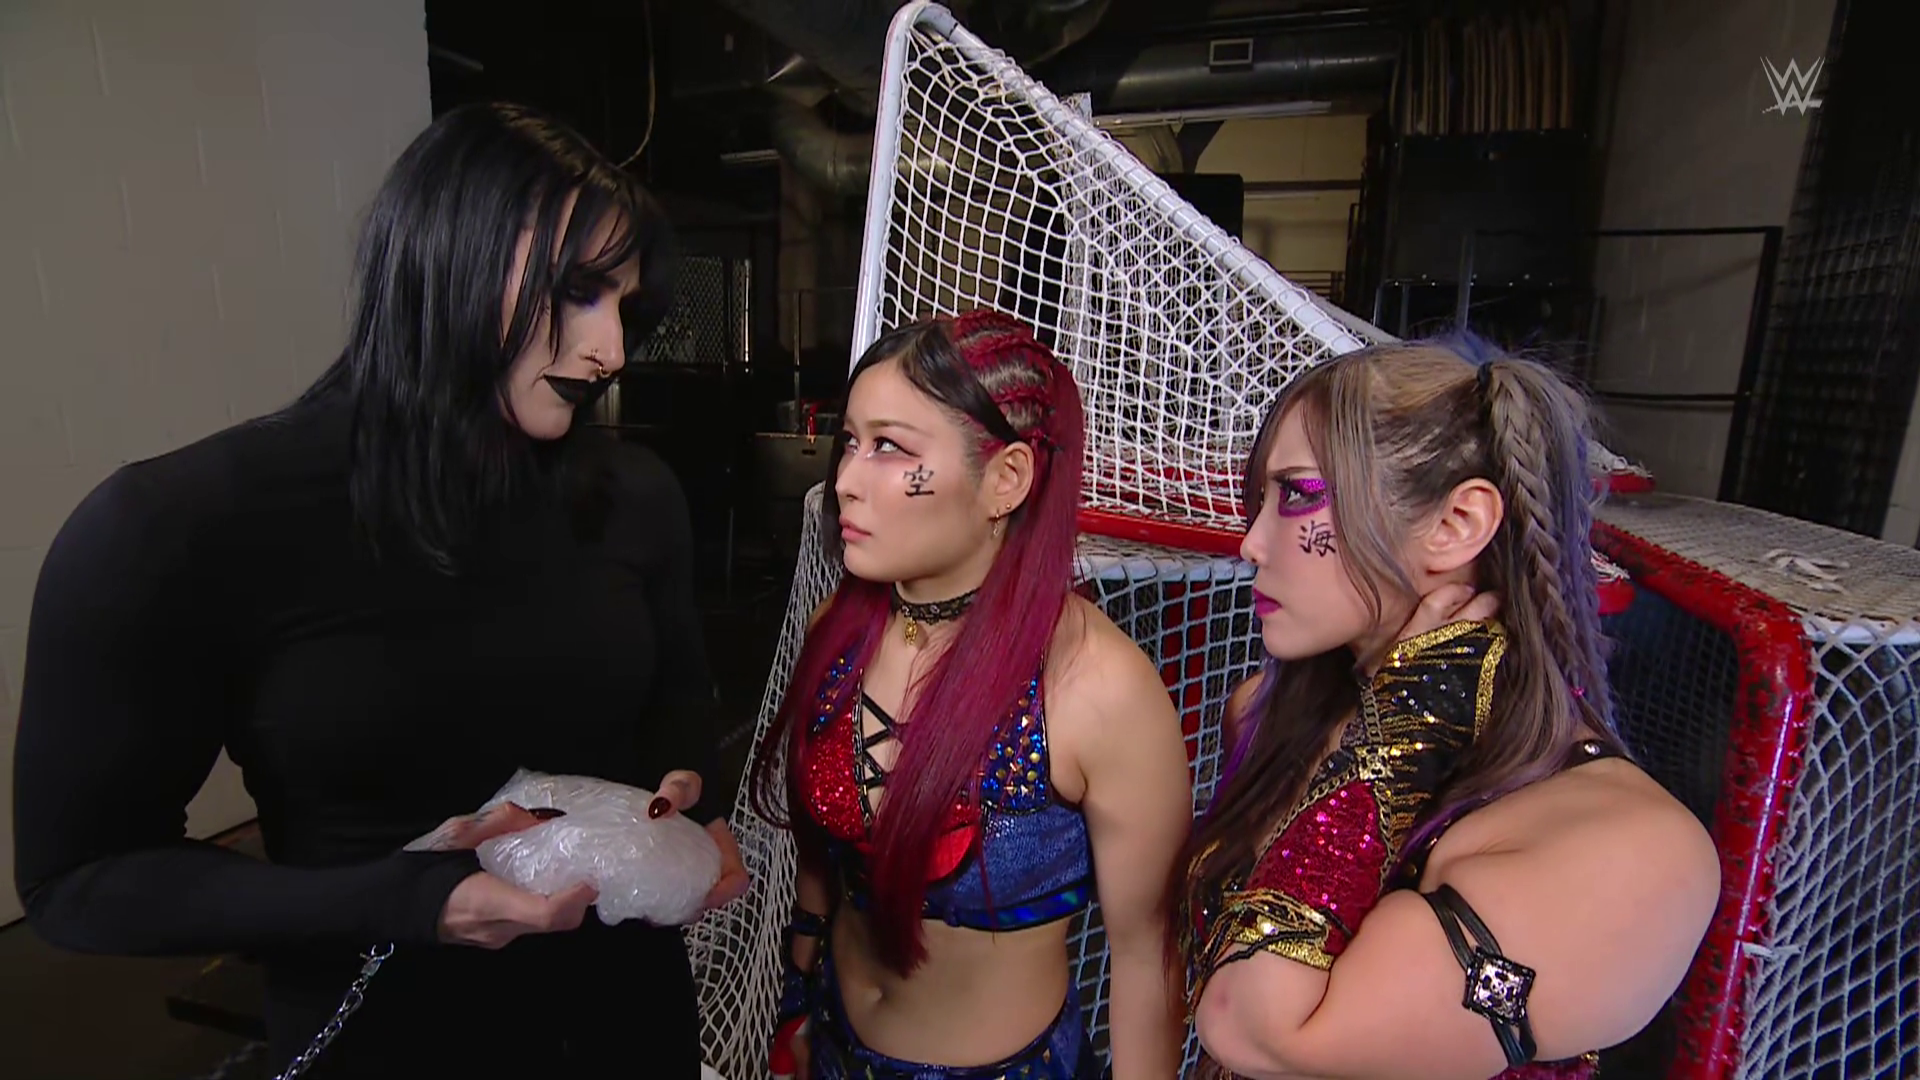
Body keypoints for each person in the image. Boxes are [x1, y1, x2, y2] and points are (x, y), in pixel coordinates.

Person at [12, 102, 748, 1078]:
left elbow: (675, 706)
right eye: (577, 291)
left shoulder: (633, 496)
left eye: (626, 307)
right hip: (386, 1036)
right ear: (446, 259)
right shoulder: (180, 523)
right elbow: (83, 880)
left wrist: (692, 807)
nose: (611, 350)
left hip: (625, 1025)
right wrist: (410, 902)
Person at [1177, 337, 1720, 1080]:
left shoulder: (1636, 849)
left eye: (1298, 495)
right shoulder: (1266, 714)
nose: (1251, 544)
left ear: (1457, 523)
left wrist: (1411, 722)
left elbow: (1255, 1027)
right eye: (1260, 502)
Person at [749, 310, 1191, 1079]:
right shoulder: (837, 632)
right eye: (850, 442)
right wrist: (797, 989)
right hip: (832, 1045)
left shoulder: (1096, 686)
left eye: (891, 448)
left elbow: (1146, 958)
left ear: (1006, 480)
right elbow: (821, 861)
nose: (845, 482)